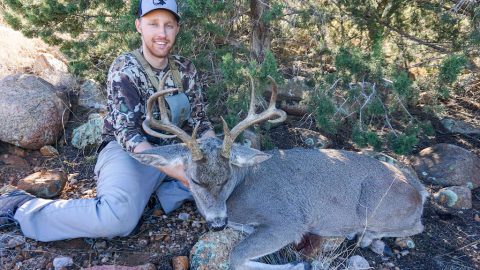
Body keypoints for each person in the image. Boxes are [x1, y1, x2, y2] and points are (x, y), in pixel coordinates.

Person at [0, 0, 214, 242]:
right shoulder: (125, 68)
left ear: (177, 29)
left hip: (175, 152)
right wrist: (175, 170)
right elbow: (127, 134)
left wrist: (215, 156)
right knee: (116, 219)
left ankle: (153, 196)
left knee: (231, 176)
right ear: (139, 26)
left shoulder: (185, 69)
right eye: (153, 24)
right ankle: (24, 208)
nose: (162, 34)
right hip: (129, 153)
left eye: (169, 25)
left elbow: (200, 122)